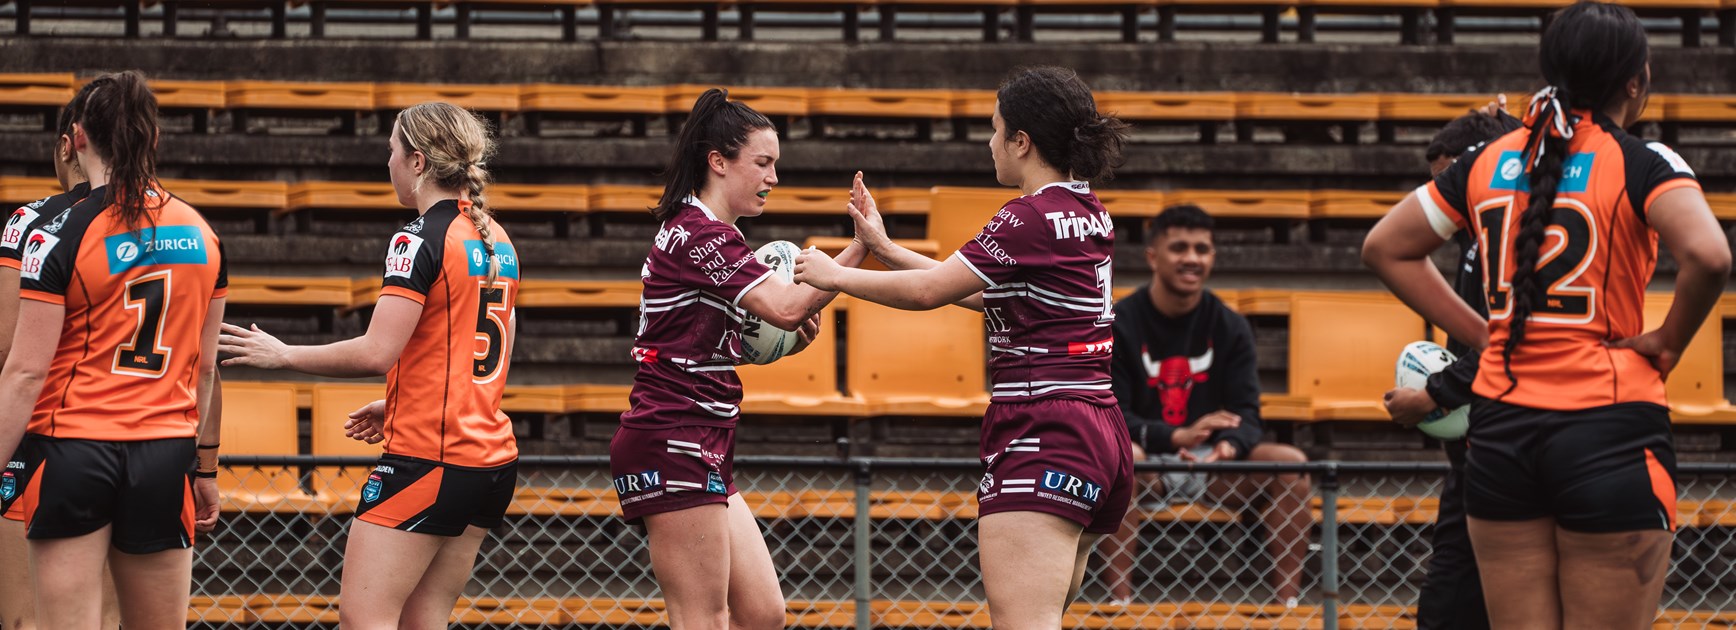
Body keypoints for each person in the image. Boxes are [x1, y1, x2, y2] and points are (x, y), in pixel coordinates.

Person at [1363, 3, 1731, 627]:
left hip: (1504, 428)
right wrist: (1668, 342)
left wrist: (1490, 333)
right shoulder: (1644, 161)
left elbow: (1384, 248)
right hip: (1608, 425)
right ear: (1636, 80)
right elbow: (1709, 255)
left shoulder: (1486, 159)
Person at [795, 66, 1134, 629]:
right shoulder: (1086, 210)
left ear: (1021, 142)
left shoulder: (1026, 216)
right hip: (1099, 427)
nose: (989, 142)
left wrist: (834, 276)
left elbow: (931, 291)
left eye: (995, 129)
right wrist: (883, 248)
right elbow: (987, 294)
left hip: (1043, 429)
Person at [218, 102, 522, 630]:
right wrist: (402, 398)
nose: (388, 163)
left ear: (419, 162)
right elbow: (484, 360)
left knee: (365, 619)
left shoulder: (419, 237)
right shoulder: (496, 237)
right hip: (488, 459)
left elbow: (376, 351)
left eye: (392, 152)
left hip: (430, 457)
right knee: (422, 621)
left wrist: (284, 354)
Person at [612, 88, 863, 630]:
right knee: (704, 619)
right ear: (718, 162)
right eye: (763, 163)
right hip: (672, 435)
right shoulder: (700, 236)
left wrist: (783, 338)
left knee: (762, 614)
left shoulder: (714, 236)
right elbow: (787, 305)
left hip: (704, 435)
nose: (774, 177)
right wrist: (859, 251)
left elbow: (711, 343)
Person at [0, 70, 227, 630]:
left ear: (76, 137)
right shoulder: (200, 231)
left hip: (74, 449)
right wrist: (205, 467)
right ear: (153, 137)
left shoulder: (56, 230)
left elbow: (24, 371)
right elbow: (204, 372)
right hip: (164, 451)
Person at [1101, 204, 1311, 609]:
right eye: (1179, 248)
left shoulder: (1229, 325)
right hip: (1147, 464)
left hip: (1216, 465)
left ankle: (1288, 607)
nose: (1192, 258)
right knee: (1123, 455)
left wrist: (1228, 446)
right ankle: (1119, 605)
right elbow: (1112, 413)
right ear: (1152, 256)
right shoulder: (1120, 321)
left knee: (1291, 464)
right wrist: (1174, 435)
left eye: (1203, 249)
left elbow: (1249, 413)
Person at [1383, 105, 1522, 630]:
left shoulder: (1498, 242)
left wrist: (1436, 393)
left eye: (1451, 178)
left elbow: (1512, 346)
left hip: (1504, 451)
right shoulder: (1475, 240)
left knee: (1451, 610)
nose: (1443, 195)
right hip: (1484, 449)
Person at [0, 78, 125, 630]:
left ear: (68, 143)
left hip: (47, 438)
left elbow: (10, 345)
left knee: (31, 620)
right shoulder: (173, 221)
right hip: (142, 440)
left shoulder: (33, 224)